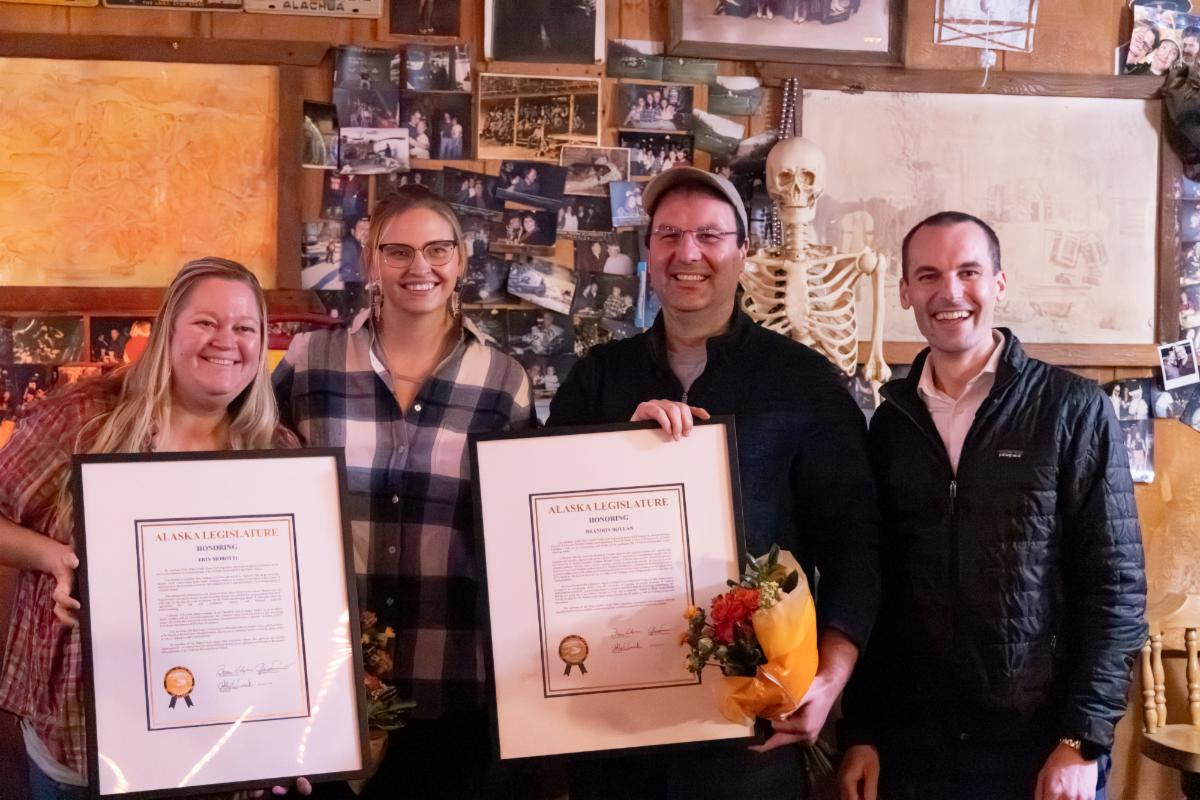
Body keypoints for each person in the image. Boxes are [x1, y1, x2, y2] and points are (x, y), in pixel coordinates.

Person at [548, 167, 881, 799]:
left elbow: (855, 546)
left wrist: (832, 676)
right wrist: (615, 450)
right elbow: (544, 529)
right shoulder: (598, 380)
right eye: (669, 235)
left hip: (749, 736)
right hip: (615, 728)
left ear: (742, 252)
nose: (688, 253)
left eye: (709, 235)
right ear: (649, 252)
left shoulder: (806, 384)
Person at [837, 211, 1147, 800]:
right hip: (916, 747)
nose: (949, 292)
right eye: (928, 275)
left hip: (1041, 746)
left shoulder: (1072, 409)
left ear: (999, 284)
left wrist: (1082, 739)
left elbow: (1117, 589)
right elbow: (880, 589)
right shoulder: (891, 424)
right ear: (905, 292)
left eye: (968, 272)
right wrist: (865, 732)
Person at [0, 258, 305, 800]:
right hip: (82, 738)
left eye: (244, 327)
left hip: (217, 749)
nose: (226, 340)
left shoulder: (277, 451)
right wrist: (53, 558)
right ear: (168, 330)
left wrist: (292, 741)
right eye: (206, 322)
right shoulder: (83, 420)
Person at [273, 186, 535, 799]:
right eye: (398, 251)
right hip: (322, 682)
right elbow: (239, 465)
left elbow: (523, 532)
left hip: (448, 683)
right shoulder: (311, 362)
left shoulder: (503, 381)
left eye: (438, 249)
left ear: (461, 258)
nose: (421, 267)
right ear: (371, 261)